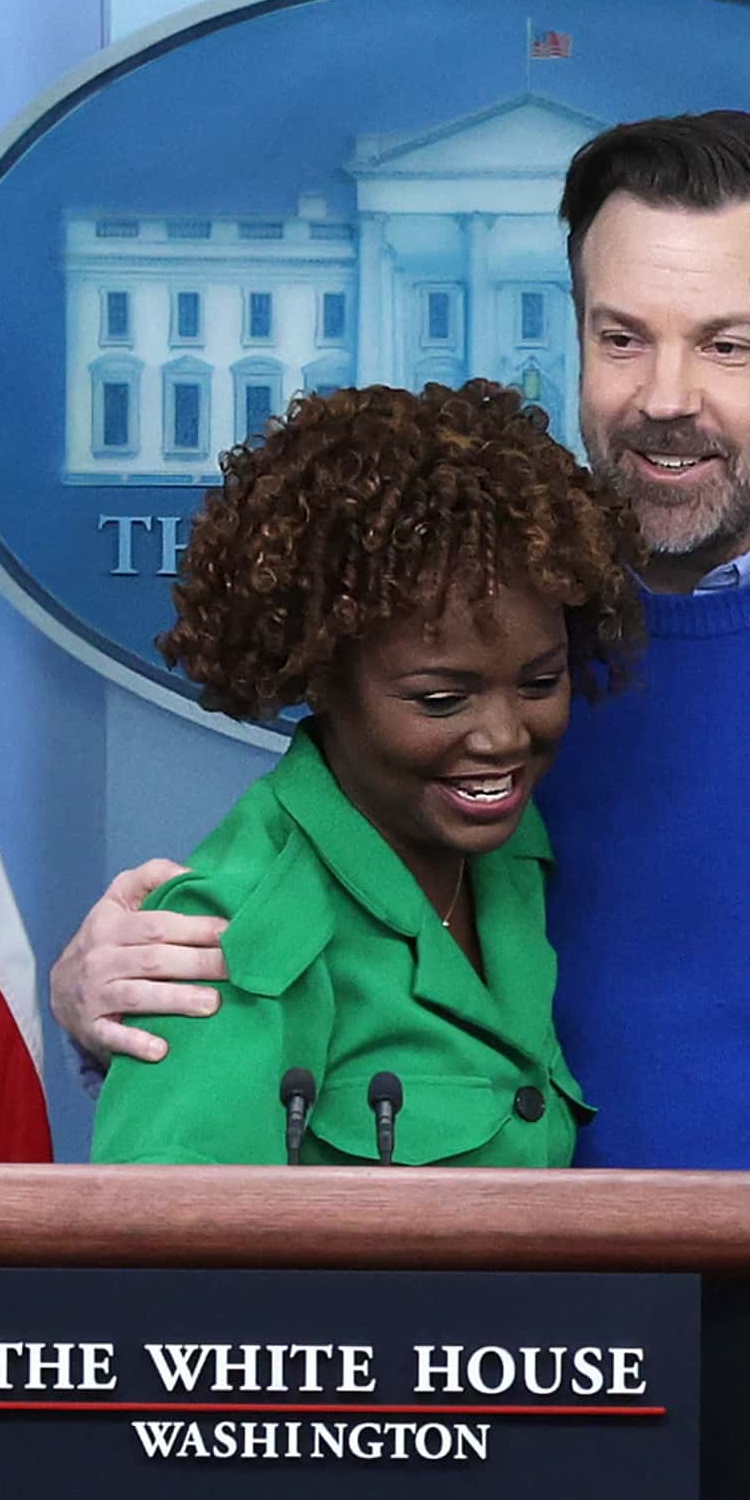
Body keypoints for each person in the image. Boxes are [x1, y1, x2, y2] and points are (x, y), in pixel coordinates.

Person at [52, 111, 750, 1500]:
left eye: (729, 345)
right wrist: (124, 984)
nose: (665, 398)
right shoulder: (502, 637)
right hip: (490, 1469)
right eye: (622, 337)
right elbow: (334, 928)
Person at [91, 380, 642, 1167]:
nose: (504, 735)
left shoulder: (512, 858)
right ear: (322, 678)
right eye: (442, 698)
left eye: (539, 683)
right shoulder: (230, 934)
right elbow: (163, 1271)